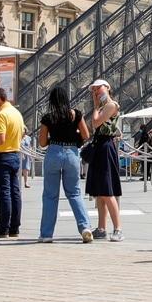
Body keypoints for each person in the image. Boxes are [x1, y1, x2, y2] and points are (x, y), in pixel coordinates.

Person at [37, 85, 93, 243]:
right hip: (71, 154)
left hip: (54, 152)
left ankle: (46, 234)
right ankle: (85, 227)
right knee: (74, 193)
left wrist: (52, 141)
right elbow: (86, 134)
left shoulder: (48, 117)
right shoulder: (76, 114)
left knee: (50, 195)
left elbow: (42, 142)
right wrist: (74, 138)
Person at [85, 80, 124, 241]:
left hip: (106, 147)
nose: (95, 92)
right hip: (100, 146)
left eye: (98, 88)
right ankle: (102, 228)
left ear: (107, 88)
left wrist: (95, 107)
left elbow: (95, 123)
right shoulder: (103, 107)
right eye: (93, 90)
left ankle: (118, 228)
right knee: (100, 193)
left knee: (107, 191)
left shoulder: (111, 105)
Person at [0, 88, 26, 238]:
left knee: (4, 193)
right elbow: (22, 133)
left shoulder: (1, 115)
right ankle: (15, 227)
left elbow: (0, 139)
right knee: (15, 193)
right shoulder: (16, 113)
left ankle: (3, 227)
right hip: (15, 154)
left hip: (2, 157)